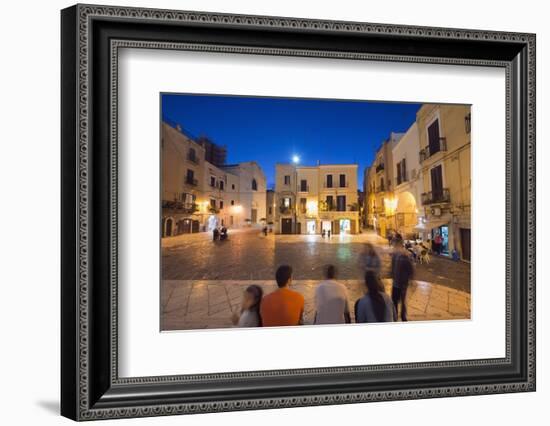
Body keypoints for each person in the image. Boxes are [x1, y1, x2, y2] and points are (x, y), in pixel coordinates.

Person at [391, 239, 414, 321]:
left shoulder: (406, 255)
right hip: (398, 282)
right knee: (396, 301)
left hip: (401, 283)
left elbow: (410, 269)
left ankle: (401, 316)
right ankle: (396, 315)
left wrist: (411, 279)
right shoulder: (395, 255)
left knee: (399, 301)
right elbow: (393, 267)